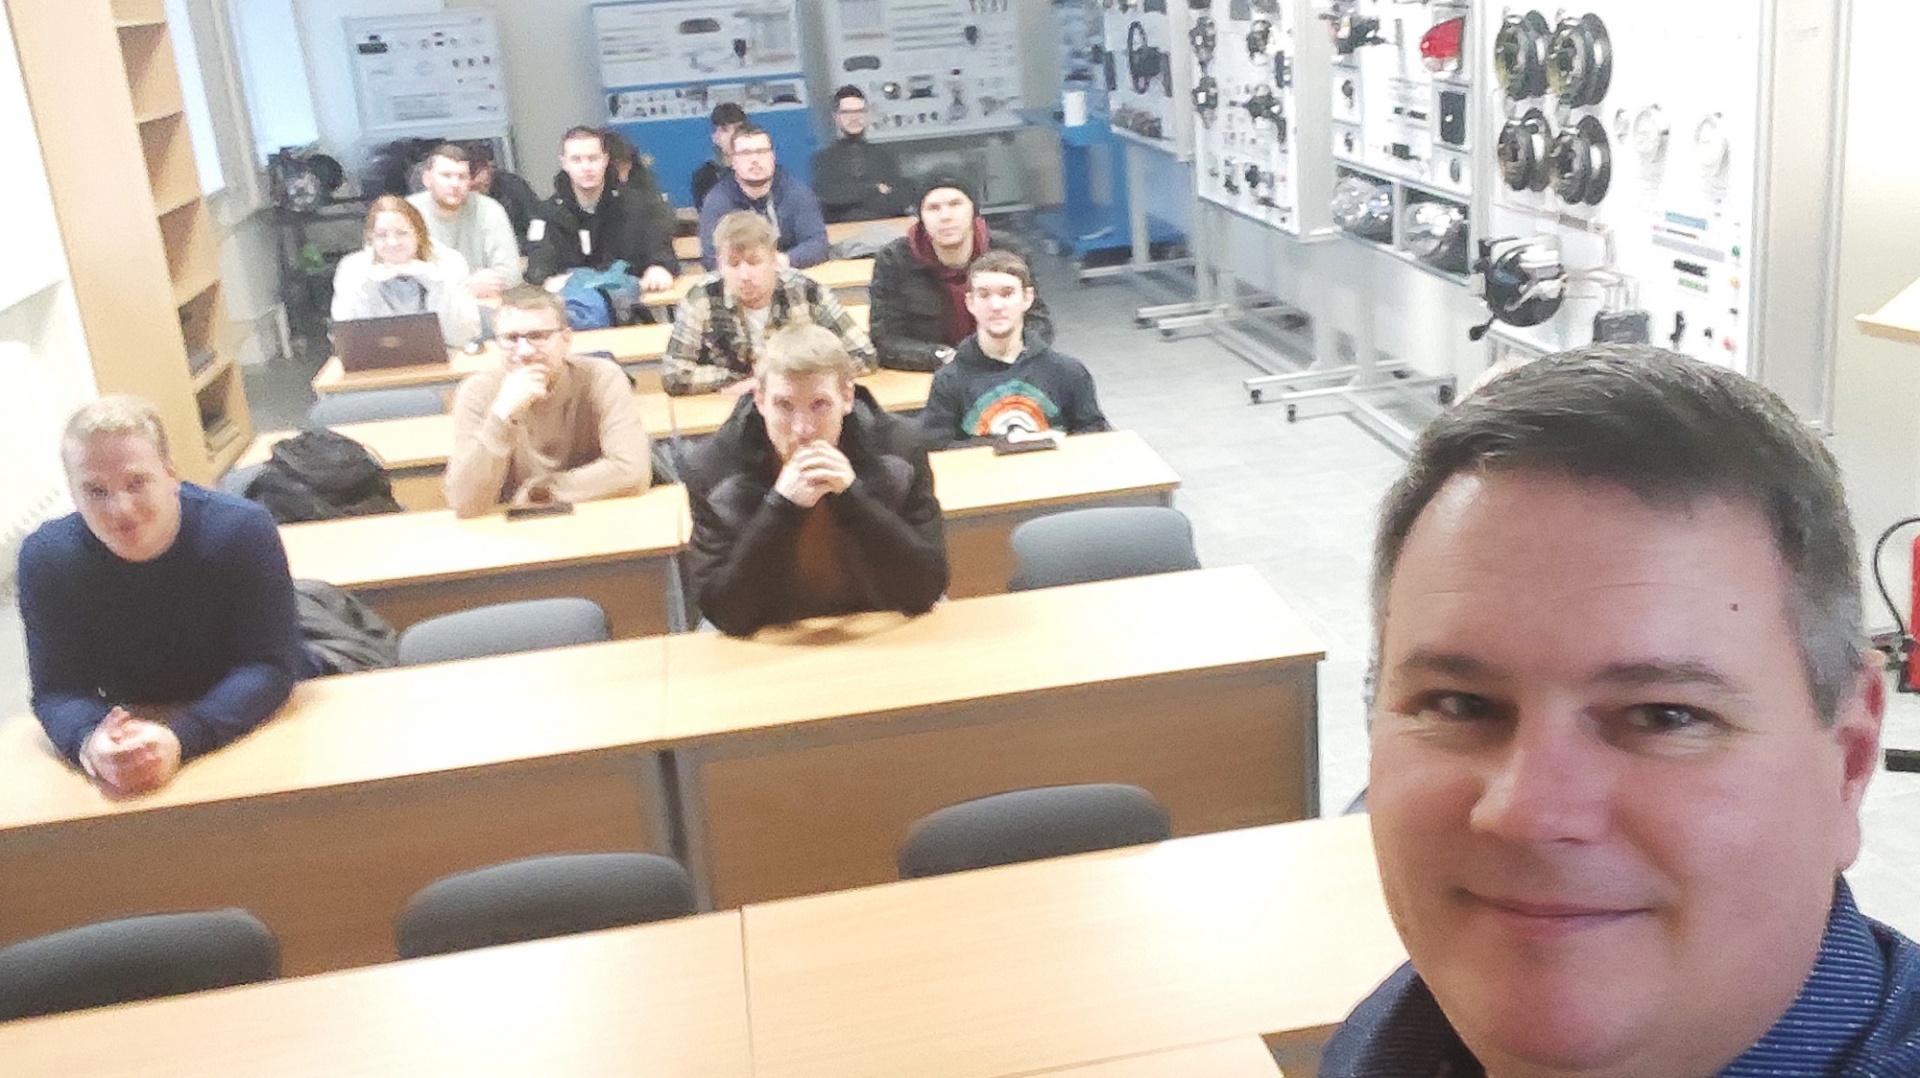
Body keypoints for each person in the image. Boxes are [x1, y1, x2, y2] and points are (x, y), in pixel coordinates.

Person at [1321, 346, 1920, 1077]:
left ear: (1850, 760)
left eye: (1664, 716)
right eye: (1460, 705)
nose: (1526, 812)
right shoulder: (1394, 1034)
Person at [17, 396, 315, 796]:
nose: (120, 509)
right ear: (73, 492)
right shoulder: (47, 558)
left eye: (136, 483)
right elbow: (57, 690)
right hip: (139, 731)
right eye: (95, 491)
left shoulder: (242, 531)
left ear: (170, 473)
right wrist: (90, 741)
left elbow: (270, 665)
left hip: (252, 720)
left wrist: (181, 739)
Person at [681, 323, 948, 637]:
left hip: (877, 620)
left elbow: (926, 589)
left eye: (819, 405)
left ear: (847, 397)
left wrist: (853, 499)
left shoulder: (899, 450)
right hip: (772, 632)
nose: (803, 430)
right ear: (760, 400)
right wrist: (782, 508)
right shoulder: (713, 470)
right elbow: (726, 613)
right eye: (784, 406)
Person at [444, 285, 653, 518]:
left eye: (537, 336)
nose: (524, 351)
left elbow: (632, 471)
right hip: (514, 529)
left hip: (595, 517)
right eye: (511, 339)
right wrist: (502, 417)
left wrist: (542, 491)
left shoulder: (602, 377)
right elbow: (463, 502)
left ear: (566, 339)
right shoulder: (477, 392)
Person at [662, 211, 875, 397]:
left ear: (774, 259)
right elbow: (674, 375)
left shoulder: (806, 291)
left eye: (754, 262)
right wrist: (740, 380)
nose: (745, 275)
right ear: (719, 264)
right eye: (733, 265)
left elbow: (863, 355)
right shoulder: (701, 298)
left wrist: (783, 378)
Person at [918, 250, 1109, 449]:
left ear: (1027, 298)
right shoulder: (948, 381)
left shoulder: (1068, 372)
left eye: (1007, 293)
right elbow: (937, 448)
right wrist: (1011, 443)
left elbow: (1094, 434)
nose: (996, 305)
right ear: (970, 302)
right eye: (984, 295)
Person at [868, 174, 1054, 372]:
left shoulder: (1009, 252)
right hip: (929, 372)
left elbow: (1038, 322)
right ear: (920, 217)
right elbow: (886, 339)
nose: (945, 216)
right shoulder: (894, 260)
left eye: (956, 204)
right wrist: (945, 357)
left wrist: (1007, 352)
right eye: (933, 208)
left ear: (974, 210)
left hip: (1004, 365)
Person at [525, 126, 678, 295]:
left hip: (632, 302)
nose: (586, 167)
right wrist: (546, 280)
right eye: (576, 160)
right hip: (569, 304)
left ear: (605, 160)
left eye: (593, 158)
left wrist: (659, 268)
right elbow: (539, 266)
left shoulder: (640, 206)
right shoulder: (546, 214)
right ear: (564, 163)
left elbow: (661, 251)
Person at [331, 194, 482, 346]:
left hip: (442, 355)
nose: (392, 243)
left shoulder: (450, 262)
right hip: (377, 358)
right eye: (381, 235)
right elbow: (348, 341)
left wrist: (437, 285)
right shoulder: (352, 269)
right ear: (371, 238)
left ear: (419, 234)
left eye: (402, 233)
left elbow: (463, 336)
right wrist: (368, 287)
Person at [696, 124, 829, 270]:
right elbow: (711, 256)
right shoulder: (717, 201)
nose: (755, 159)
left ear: (773, 156)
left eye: (762, 152)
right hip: (740, 276)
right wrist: (752, 265)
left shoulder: (797, 193)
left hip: (787, 272)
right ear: (733, 161)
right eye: (746, 153)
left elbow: (817, 243)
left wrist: (780, 261)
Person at [405, 143, 522, 301]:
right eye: (446, 176)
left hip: (483, 303)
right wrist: (465, 286)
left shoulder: (489, 210)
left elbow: (511, 274)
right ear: (427, 179)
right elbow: (401, 278)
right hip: (425, 307)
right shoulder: (407, 213)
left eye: (462, 177)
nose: (455, 184)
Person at [811, 86, 908, 223]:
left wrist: (851, 193)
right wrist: (874, 188)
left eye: (859, 111)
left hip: (884, 227)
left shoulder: (885, 156)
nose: (854, 118)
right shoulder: (824, 159)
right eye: (847, 112)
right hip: (841, 230)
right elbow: (830, 198)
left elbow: (898, 200)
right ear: (836, 117)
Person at [465, 142, 542, 257]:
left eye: (485, 184)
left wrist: (534, 250)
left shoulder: (511, 185)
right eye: (474, 187)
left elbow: (537, 220)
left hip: (521, 251)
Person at [691, 101, 747, 209]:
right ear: (715, 136)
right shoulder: (704, 177)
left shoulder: (757, 169)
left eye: (740, 129)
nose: (734, 135)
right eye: (725, 130)